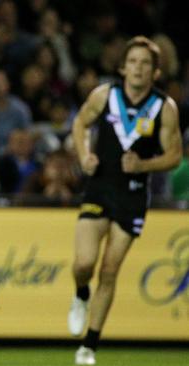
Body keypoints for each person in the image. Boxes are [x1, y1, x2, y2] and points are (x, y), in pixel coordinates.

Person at [68, 36, 182, 365]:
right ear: (122, 67)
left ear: (155, 72)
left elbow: (174, 155)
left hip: (132, 196)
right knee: (84, 263)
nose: (138, 68)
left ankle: (89, 345)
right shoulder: (105, 96)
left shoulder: (164, 108)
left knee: (109, 270)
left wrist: (144, 165)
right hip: (99, 188)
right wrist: (84, 154)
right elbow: (79, 123)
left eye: (145, 63)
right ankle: (80, 294)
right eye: (133, 61)